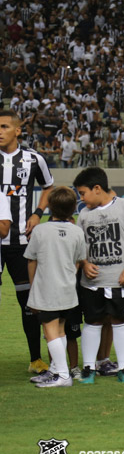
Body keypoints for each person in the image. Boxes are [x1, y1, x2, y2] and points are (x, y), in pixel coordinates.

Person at [73, 167, 124, 384]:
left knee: (121, 321)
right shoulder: (84, 214)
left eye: (83, 193)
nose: (81, 198)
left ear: (97, 188)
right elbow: (79, 245)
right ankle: (89, 368)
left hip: (119, 280)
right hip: (92, 282)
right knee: (92, 322)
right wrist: (85, 263)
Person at [0, 110, 54, 374]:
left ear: (17, 131)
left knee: (29, 302)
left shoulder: (34, 159)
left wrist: (37, 213)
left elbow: (48, 187)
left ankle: (35, 358)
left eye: (4, 126)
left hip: (22, 243)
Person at [25, 187, 86, 387]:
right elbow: (79, 261)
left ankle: (62, 375)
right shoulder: (77, 231)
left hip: (47, 289)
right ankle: (56, 370)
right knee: (60, 330)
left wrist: (34, 286)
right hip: (68, 289)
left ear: (50, 206)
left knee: (50, 331)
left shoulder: (40, 230)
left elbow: (31, 261)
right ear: (73, 208)